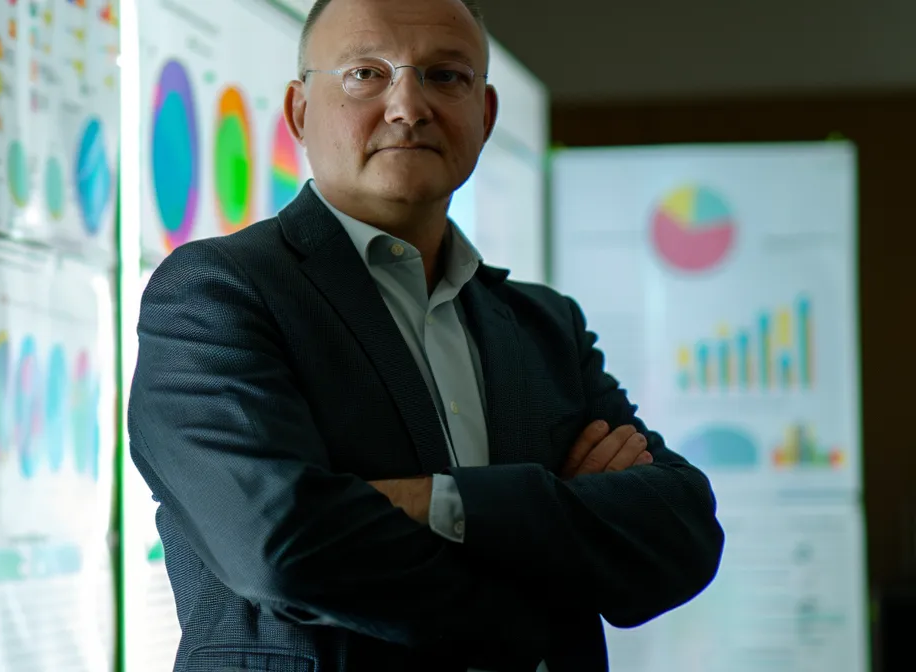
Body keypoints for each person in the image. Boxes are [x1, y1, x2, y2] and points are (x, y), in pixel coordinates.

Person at [125, 0, 725, 669]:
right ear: (299, 111)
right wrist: (551, 566)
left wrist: (435, 501)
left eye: (447, 77)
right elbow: (283, 546)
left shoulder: (545, 326)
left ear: (486, 113)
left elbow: (681, 531)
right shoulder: (219, 294)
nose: (408, 107)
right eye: (365, 74)